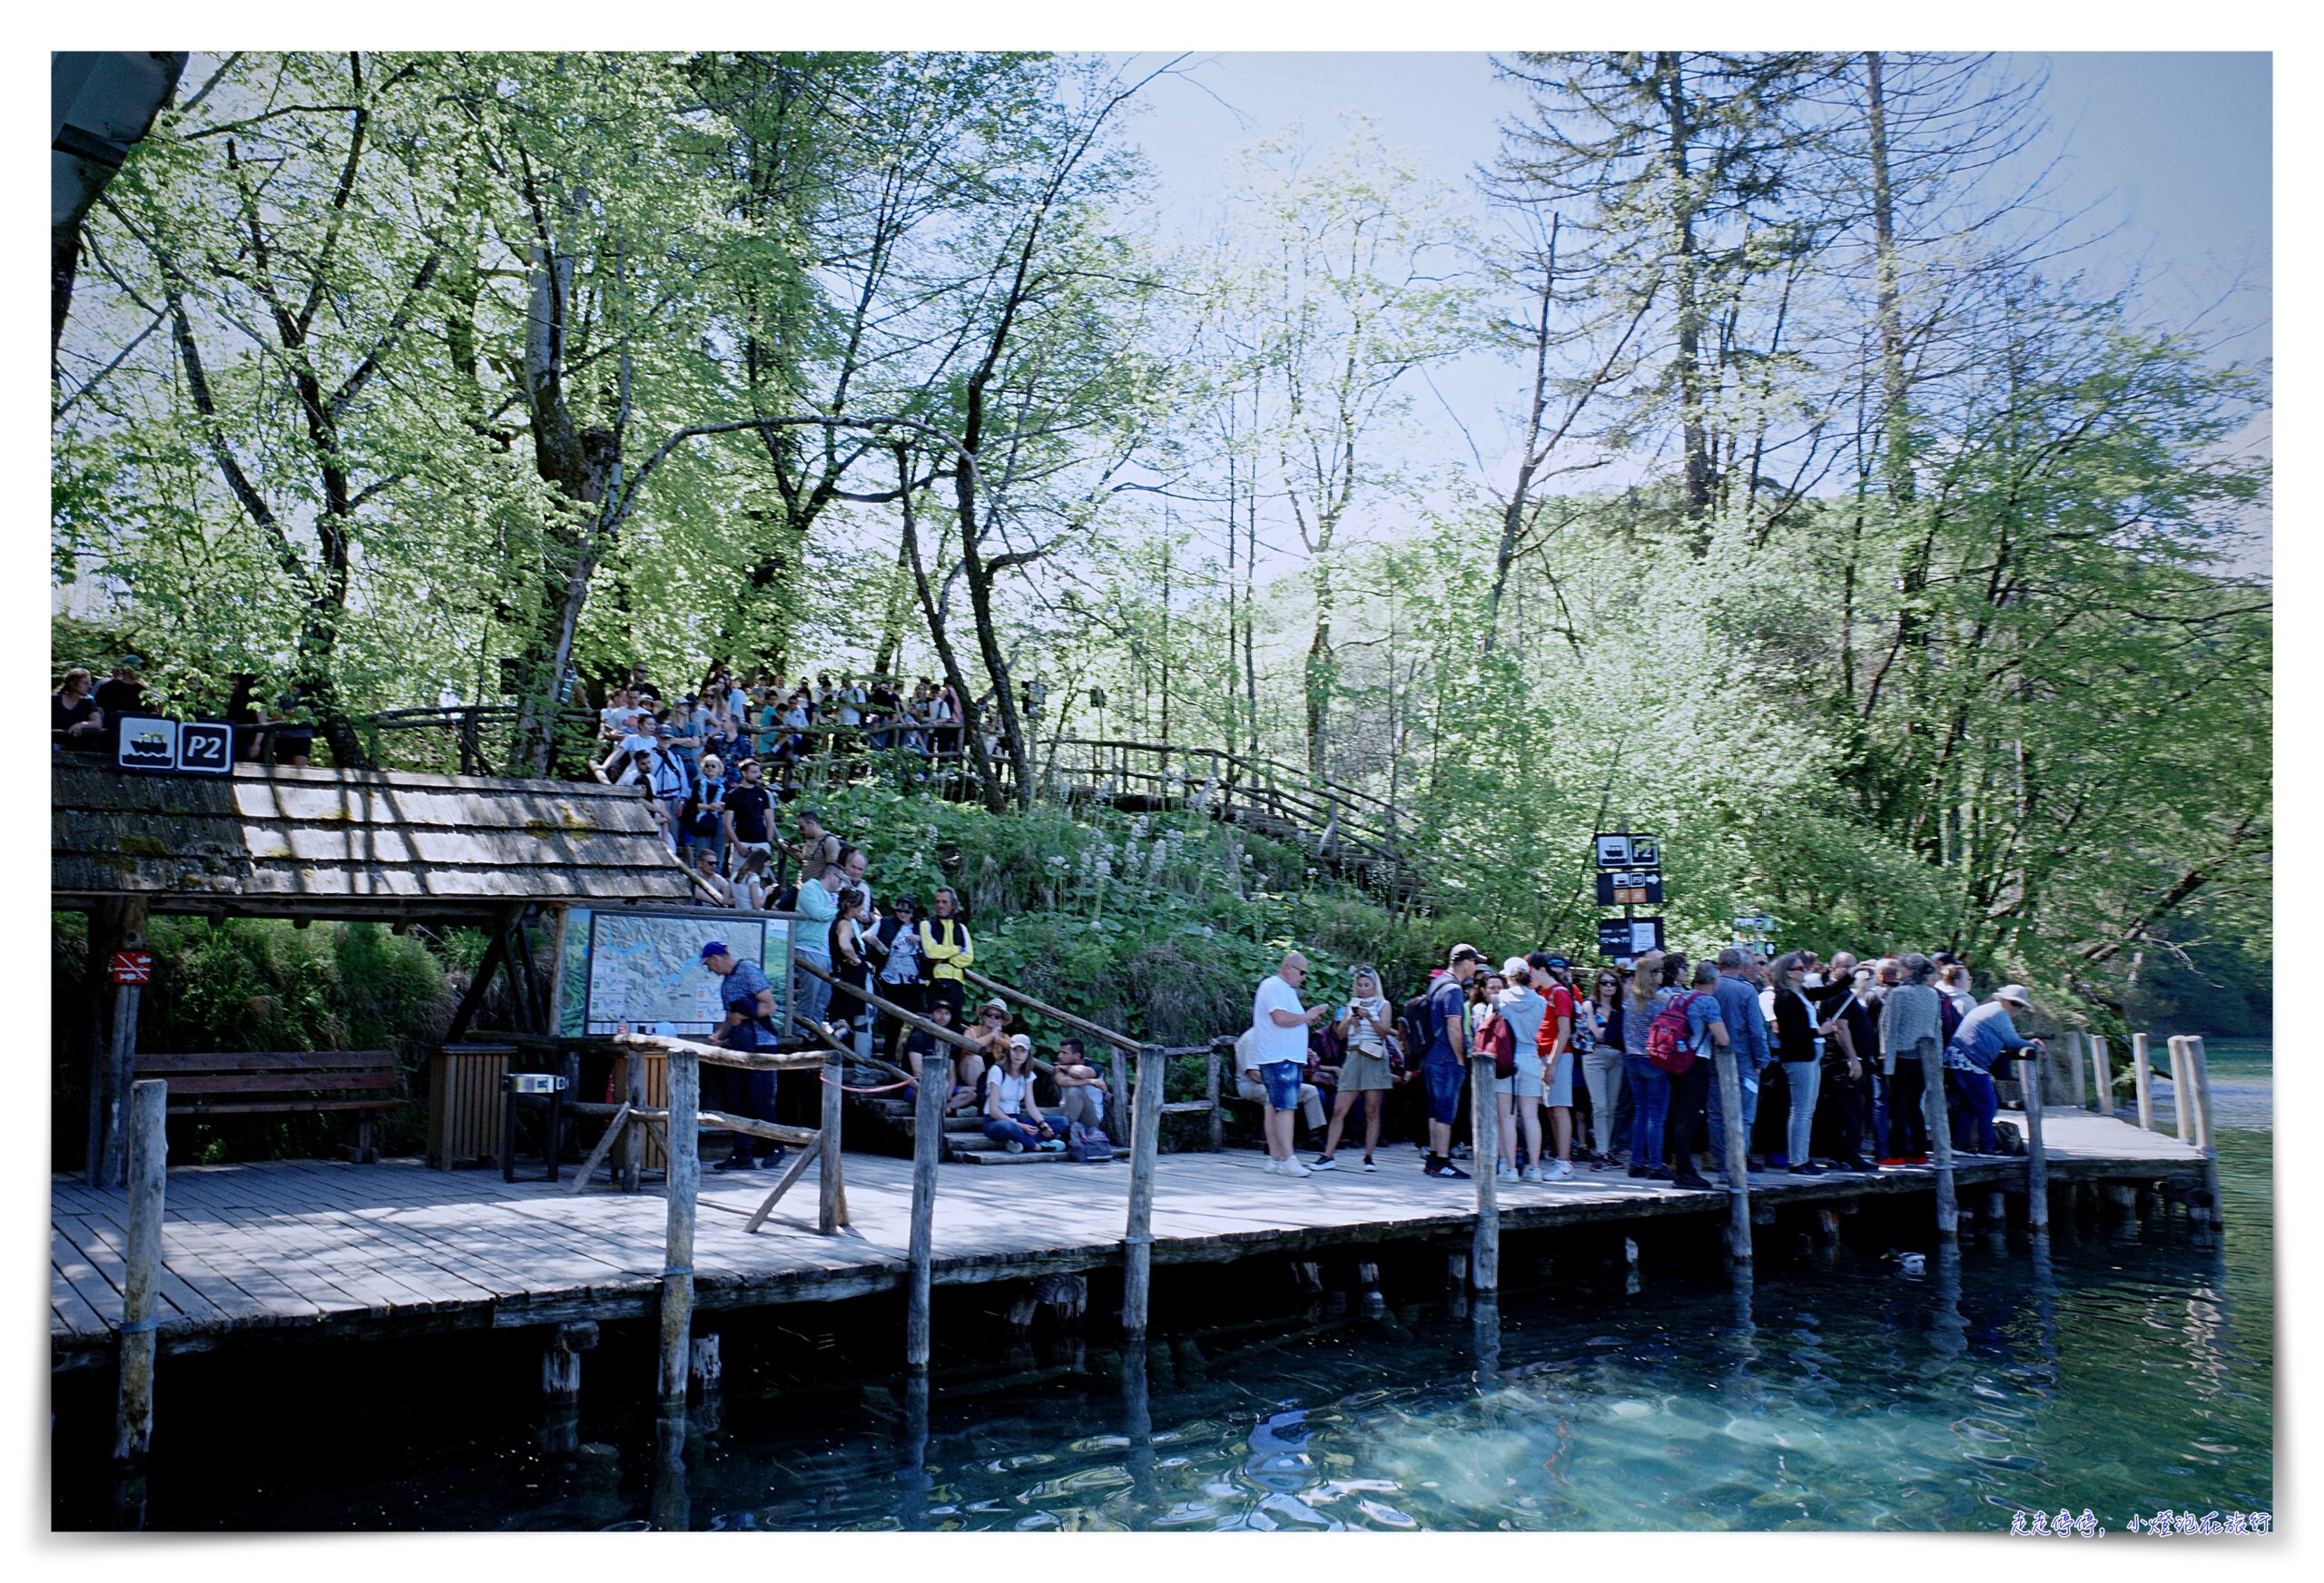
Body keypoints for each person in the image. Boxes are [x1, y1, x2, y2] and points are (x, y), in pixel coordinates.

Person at [700, 940, 782, 1172]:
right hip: (740, 1044)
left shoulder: (747, 971)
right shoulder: (726, 985)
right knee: (737, 1099)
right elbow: (730, 1018)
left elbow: (769, 1005)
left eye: (709, 964)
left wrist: (743, 1018)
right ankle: (741, 1152)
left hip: (762, 1043)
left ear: (716, 958)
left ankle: (776, 1145)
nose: (710, 969)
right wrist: (719, 1035)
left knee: (760, 1098)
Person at [1247, 952, 1328, 1178]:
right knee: (1286, 1108)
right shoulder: (1273, 986)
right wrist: (1307, 1016)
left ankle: (1275, 1158)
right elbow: (1280, 1019)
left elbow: (1286, 1020)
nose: (1303, 977)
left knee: (1274, 1106)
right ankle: (1288, 1159)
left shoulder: (1285, 990)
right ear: (1288, 967)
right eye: (1302, 972)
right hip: (1278, 1058)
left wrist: (1307, 1019)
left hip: (1283, 1057)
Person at [1770, 950, 1846, 1175]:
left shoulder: (1801, 993)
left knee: (1808, 1110)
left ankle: (1803, 1157)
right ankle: (1796, 1161)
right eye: (1799, 968)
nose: (1804, 971)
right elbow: (1790, 1032)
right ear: (1789, 973)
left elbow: (1829, 990)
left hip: (1812, 1055)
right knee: (1800, 1110)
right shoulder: (1784, 997)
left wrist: (1849, 975)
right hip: (1799, 1057)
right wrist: (1819, 1031)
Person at [1946, 984, 2044, 1155]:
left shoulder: (1993, 1010)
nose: (2017, 1009)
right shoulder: (1999, 1012)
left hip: (1961, 1059)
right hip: (1968, 1062)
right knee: (1988, 1105)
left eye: (2020, 1005)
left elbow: (2008, 1038)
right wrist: (2034, 1046)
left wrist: (2030, 1043)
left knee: (1971, 1105)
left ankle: (1959, 1145)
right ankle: (1987, 1147)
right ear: (2004, 1000)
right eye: (2015, 1003)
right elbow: (2011, 1040)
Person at [1317, 967, 1397, 1172]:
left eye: (1366, 985)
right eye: (1359, 985)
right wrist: (1350, 1020)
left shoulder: (1383, 1004)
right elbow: (1341, 1035)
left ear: (1374, 985)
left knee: (1372, 1110)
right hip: (1353, 1055)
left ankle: (1369, 1157)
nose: (1362, 989)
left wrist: (1370, 1017)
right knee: (1339, 1109)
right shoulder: (1351, 1004)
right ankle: (1328, 1155)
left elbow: (1383, 1032)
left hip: (1373, 1057)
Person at [1659, 959, 1726, 1190]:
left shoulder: (1678, 997)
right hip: (1695, 1063)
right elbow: (1723, 1038)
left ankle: (1677, 1163)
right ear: (1714, 981)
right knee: (1689, 1117)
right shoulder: (1708, 1002)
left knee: (1677, 1114)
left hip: (1674, 1060)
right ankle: (1685, 1170)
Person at [1707, 947, 1773, 1174]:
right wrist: (1762, 1059)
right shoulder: (1746, 991)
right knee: (1744, 1114)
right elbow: (1756, 1029)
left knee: (1716, 1113)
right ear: (1740, 966)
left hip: (1714, 1057)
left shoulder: (1710, 987)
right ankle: (1738, 1161)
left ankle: (1720, 1160)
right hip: (1743, 1060)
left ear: (1719, 964)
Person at [1421, 945, 1483, 1179]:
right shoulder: (1454, 990)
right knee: (1446, 1111)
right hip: (1446, 1058)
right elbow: (1454, 1028)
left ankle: (1433, 1158)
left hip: (1430, 1056)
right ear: (1466, 962)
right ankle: (1443, 1162)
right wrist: (1460, 1059)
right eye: (1474, 962)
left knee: (1435, 1111)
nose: (1475, 967)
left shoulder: (1436, 984)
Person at [1879, 953, 1944, 1164]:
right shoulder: (1933, 994)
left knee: (1898, 1106)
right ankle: (1918, 1152)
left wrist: (1886, 1059)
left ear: (1908, 970)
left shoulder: (1899, 994)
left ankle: (1896, 1153)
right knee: (1915, 1106)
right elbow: (1936, 1028)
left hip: (1901, 1056)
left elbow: (1890, 1027)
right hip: (1924, 1059)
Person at [1492, 960, 1550, 1183]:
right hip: (1531, 1058)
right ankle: (1534, 1168)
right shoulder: (1540, 1001)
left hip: (1506, 1060)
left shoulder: (1499, 999)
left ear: (1508, 977)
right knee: (1531, 1116)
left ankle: (1509, 1167)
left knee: (1506, 1116)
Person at [1529, 953, 1578, 1180]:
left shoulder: (1559, 993)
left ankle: (1565, 1163)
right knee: (1551, 1109)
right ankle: (1560, 1158)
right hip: (1544, 1056)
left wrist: (1551, 1063)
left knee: (1559, 1107)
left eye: (1529, 972)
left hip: (1557, 1057)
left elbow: (1564, 1030)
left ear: (1541, 969)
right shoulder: (1543, 993)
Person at [1620, 949, 1669, 1178]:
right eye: (1659, 972)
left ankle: (1636, 1162)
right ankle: (1656, 1164)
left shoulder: (1630, 1002)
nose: (1662, 975)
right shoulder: (1657, 1004)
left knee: (1640, 1112)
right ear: (1652, 975)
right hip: (1653, 1060)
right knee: (1656, 1115)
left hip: (1632, 1058)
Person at [983, 1035, 1065, 1153]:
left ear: (1028, 1054)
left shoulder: (1027, 1074)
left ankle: (1019, 1142)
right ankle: (1038, 1146)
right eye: (1014, 1050)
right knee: (1009, 1127)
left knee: (1061, 1122)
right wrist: (1020, 1126)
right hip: (996, 1121)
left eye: (1022, 1051)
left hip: (1017, 1118)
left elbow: (1031, 1106)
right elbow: (994, 1111)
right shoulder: (997, 1071)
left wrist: (1043, 1124)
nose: (1018, 1054)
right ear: (1009, 1051)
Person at [867, 894, 924, 1060]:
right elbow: (867, 936)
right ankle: (889, 1055)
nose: (903, 914)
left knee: (914, 1019)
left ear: (913, 912)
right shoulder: (885, 923)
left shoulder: (920, 927)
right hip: (889, 979)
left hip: (913, 981)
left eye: (907, 911)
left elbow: (933, 943)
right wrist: (881, 947)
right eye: (900, 910)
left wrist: (919, 938)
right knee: (892, 1019)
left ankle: (908, 1057)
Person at [1579, 967, 1626, 1165]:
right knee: (1599, 1105)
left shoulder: (1621, 1009)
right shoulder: (1590, 1005)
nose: (1608, 986)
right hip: (1595, 1056)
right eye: (1604, 983)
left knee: (1612, 1107)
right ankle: (1601, 1151)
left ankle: (1607, 1149)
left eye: (1613, 983)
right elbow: (1596, 1033)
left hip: (1617, 1058)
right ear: (1598, 985)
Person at [791, 859, 842, 1039]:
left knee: (822, 997)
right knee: (809, 995)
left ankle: (814, 1033)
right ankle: (800, 1032)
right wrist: (839, 912)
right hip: (808, 947)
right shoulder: (810, 888)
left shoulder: (833, 896)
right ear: (830, 875)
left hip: (825, 952)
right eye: (840, 879)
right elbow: (817, 913)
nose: (840, 883)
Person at [918, 887, 975, 1020]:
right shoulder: (927, 925)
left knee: (954, 1025)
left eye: (944, 902)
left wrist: (945, 958)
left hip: (956, 984)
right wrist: (956, 950)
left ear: (953, 905)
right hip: (934, 982)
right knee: (932, 1027)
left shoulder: (961, 928)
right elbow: (930, 952)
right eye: (937, 902)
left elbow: (969, 957)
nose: (940, 905)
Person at [831, 886, 872, 1060]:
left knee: (845, 1020)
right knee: (861, 1023)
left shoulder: (838, 922)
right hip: (854, 978)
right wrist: (855, 958)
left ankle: (843, 1060)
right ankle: (862, 1066)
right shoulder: (845, 924)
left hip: (845, 977)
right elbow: (845, 945)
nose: (862, 909)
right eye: (859, 906)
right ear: (850, 905)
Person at [723, 759, 776, 877]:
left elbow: (769, 819)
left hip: (761, 842)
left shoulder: (763, 794)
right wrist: (737, 845)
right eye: (753, 772)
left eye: (758, 772)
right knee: (738, 877)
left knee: (762, 878)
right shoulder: (733, 795)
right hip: (742, 841)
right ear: (744, 773)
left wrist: (768, 841)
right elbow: (728, 823)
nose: (758, 775)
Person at [1051, 1035, 1108, 1134]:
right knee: (1030, 1113)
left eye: (1064, 1053)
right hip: (1066, 1110)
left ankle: (1064, 1133)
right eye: (1060, 1052)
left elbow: (1082, 1073)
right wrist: (1090, 1081)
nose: (1060, 1056)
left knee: (1075, 1091)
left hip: (1090, 1117)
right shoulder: (1061, 1067)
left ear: (1077, 1056)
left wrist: (1066, 1068)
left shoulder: (1095, 1067)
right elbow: (1062, 1081)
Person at [781, 808, 843, 889]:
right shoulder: (809, 839)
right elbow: (807, 861)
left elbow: (832, 870)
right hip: (801, 886)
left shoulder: (829, 841)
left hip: (816, 889)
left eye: (802, 827)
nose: (801, 832)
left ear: (811, 824)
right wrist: (796, 853)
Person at [54, 667, 103, 749]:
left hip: (80, 747)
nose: (89, 687)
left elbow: (98, 723)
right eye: (85, 683)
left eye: (90, 683)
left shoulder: (88, 702)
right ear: (73, 683)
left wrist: (80, 725)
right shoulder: (54, 700)